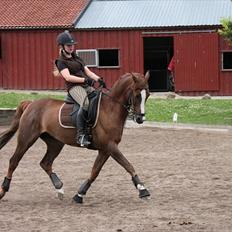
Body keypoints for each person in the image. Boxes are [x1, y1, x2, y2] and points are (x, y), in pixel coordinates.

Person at [54, 30, 106, 147]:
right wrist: (85, 80)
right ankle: (81, 135)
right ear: (62, 46)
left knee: (100, 99)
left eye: (72, 45)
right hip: (74, 88)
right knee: (86, 104)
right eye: (69, 45)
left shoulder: (77, 58)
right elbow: (67, 77)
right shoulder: (61, 61)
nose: (71, 47)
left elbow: (87, 71)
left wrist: (99, 79)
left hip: (85, 86)